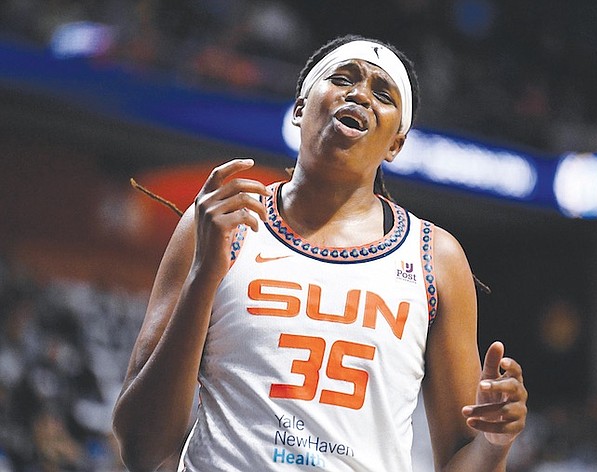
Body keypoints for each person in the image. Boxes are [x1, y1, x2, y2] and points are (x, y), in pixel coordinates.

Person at [112, 34, 528, 471]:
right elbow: (142, 443)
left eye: (383, 93)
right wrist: (204, 275)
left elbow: (464, 455)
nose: (360, 94)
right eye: (342, 78)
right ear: (299, 108)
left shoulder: (436, 258)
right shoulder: (222, 223)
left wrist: (493, 444)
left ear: (396, 144)